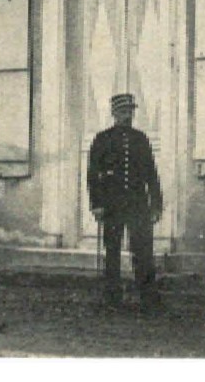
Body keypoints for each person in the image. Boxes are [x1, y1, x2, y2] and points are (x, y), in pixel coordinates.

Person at [87, 93, 163, 313]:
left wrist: (156, 204)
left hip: (138, 204)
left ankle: (147, 297)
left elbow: (151, 174)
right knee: (112, 250)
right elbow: (93, 175)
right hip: (112, 205)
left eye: (130, 111)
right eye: (122, 112)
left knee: (143, 250)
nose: (126, 116)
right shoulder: (102, 140)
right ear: (113, 113)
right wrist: (97, 204)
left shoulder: (141, 139)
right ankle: (112, 297)